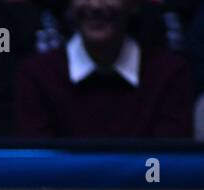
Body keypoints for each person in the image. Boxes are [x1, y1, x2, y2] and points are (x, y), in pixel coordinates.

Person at [13, 0, 194, 137]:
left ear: (133, 5)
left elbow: (167, 170)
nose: (95, 5)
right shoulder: (36, 76)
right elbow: (38, 172)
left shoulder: (170, 74)